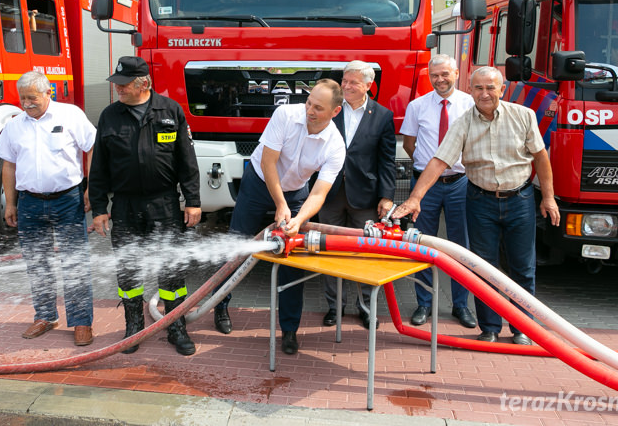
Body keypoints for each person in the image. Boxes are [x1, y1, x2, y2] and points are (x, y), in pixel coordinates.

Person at [393, 66, 560, 346]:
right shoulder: (463, 122)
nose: (485, 94)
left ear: (502, 89)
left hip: (519, 200)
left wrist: (548, 197)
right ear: (470, 91)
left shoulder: (523, 115)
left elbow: (541, 158)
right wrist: (414, 198)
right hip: (480, 201)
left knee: (522, 267)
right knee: (484, 267)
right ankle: (490, 327)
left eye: (490, 88)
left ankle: (523, 328)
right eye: (479, 88)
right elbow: (438, 161)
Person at [88, 56, 202, 356]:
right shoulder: (110, 116)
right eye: (117, 85)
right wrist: (99, 208)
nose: (119, 90)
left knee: (172, 272)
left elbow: (187, 162)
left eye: (124, 86)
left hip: (164, 203)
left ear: (145, 85)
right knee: (128, 270)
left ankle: (176, 327)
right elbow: (98, 167)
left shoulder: (170, 111)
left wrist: (192, 201)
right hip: (125, 206)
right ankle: (133, 328)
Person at [226, 79, 346, 355]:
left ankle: (289, 329)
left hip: (296, 192)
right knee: (237, 243)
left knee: (293, 257)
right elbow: (268, 162)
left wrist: (298, 218)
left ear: (334, 112)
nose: (310, 111)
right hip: (258, 182)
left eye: (318, 107)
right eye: (308, 103)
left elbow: (318, 194)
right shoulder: (285, 115)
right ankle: (221, 306)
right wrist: (280, 205)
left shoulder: (336, 146)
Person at [0, 71, 96, 347]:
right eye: (22, 98)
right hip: (29, 203)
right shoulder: (14, 125)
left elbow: (93, 147)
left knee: (75, 263)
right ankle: (46, 316)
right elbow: (8, 165)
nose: (26, 103)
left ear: (48, 91)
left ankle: (82, 321)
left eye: (32, 98)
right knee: (37, 264)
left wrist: (90, 188)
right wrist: (10, 202)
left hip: (68, 200)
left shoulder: (70, 115)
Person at [399, 54, 476, 330]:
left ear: (456, 73)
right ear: (429, 77)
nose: (440, 80)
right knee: (422, 244)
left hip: (460, 183)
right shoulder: (417, 106)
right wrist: (428, 170)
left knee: (460, 246)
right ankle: (424, 303)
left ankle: (461, 305)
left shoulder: (470, 103)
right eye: (435, 75)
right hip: (425, 187)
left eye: (445, 74)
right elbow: (410, 145)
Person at [318, 60, 395, 330]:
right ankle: (334, 308)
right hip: (329, 193)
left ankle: (366, 308)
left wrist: (386, 196)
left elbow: (387, 160)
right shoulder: (330, 109)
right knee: (328, 252)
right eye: (344, 80)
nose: (347, 86)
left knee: (365, 254)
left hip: (365, 196)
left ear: (368, 86)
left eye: (353, 82)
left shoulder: (383, 115)